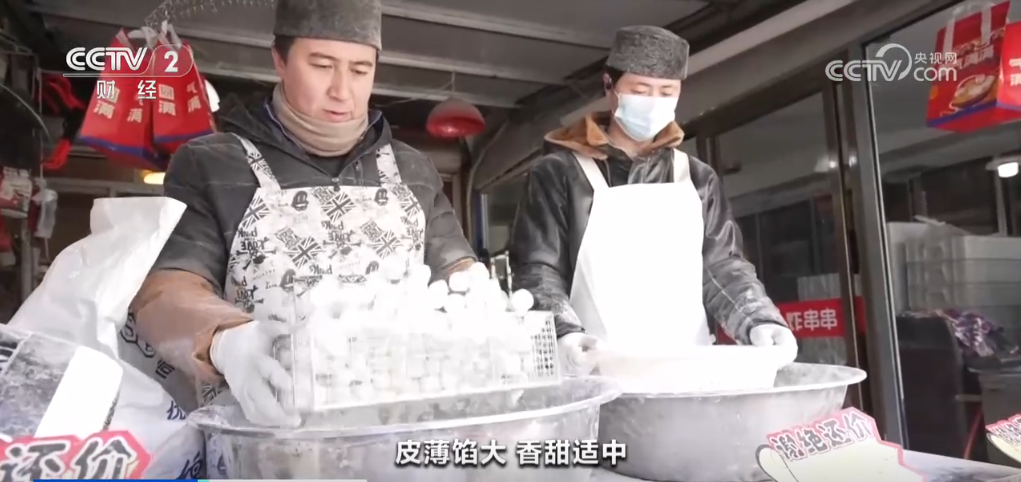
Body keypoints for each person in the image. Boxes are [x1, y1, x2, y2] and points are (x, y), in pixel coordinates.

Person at [129, 0, 476, 427]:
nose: (342, 91)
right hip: (265, 433)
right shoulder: (212, 164)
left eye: (360, 70)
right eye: (322, 66)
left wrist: (496, 323)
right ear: (280, 59)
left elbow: (460, 275)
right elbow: (166, 289)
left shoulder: (412, 170)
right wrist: (225, 340)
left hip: (402, 431)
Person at [509, 26, 797, 375]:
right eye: (640, 90)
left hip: (690, 372)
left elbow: (723, 267)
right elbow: (538, 270)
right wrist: (563, 333)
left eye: (666, 92)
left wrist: (759, 320)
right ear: (609, 86)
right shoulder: (559, 173)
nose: (653, 102)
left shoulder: (697, 177)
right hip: (595, 370)